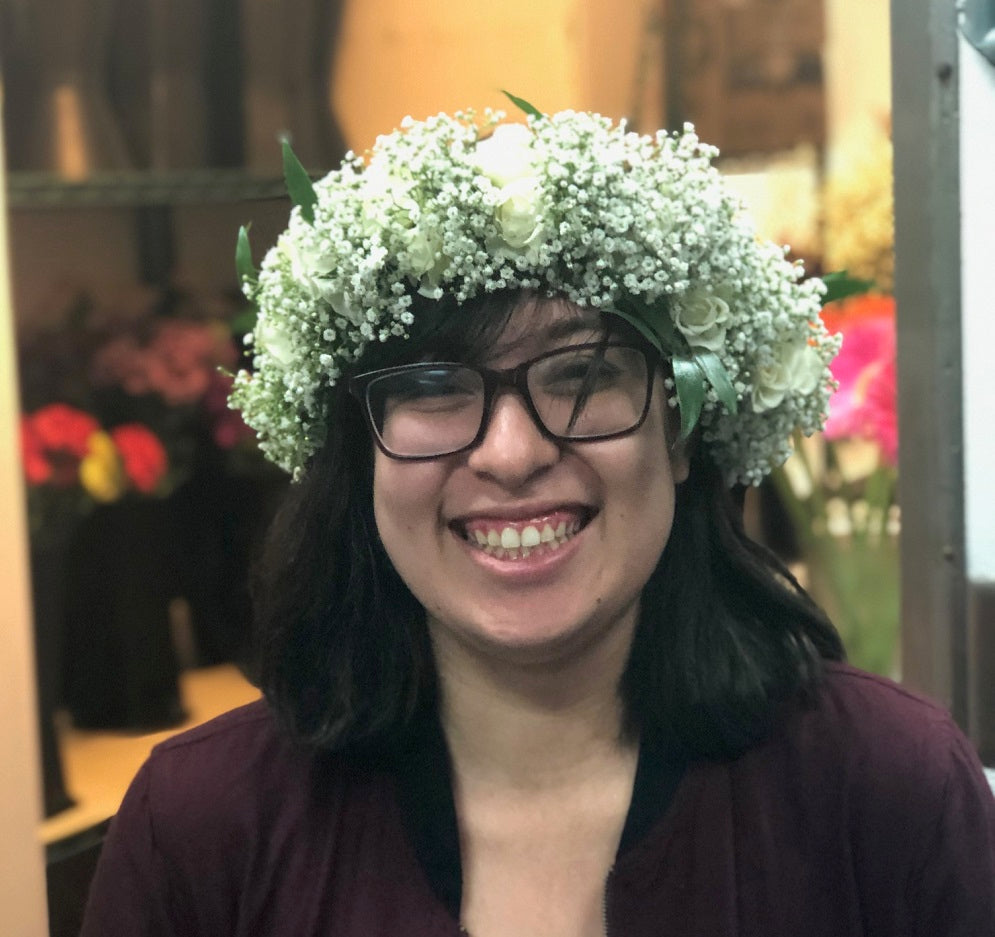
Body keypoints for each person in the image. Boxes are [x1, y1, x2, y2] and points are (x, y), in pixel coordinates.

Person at [81, 102, 995, 937]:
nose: (511, 453)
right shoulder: (199, 828)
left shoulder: (888, 791)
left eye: (583, 374)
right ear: (358, 456)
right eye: (432, 386)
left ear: (681, 432)